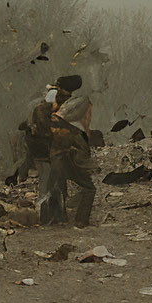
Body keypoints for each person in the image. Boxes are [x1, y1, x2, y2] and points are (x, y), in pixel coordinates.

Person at [40, 94, 96, 227]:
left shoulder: (55, 123)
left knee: (55, 188)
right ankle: (80, 220)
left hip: (58, 159)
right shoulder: (69, 129)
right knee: (88, 188)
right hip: (64, 159)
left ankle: (53, 219)